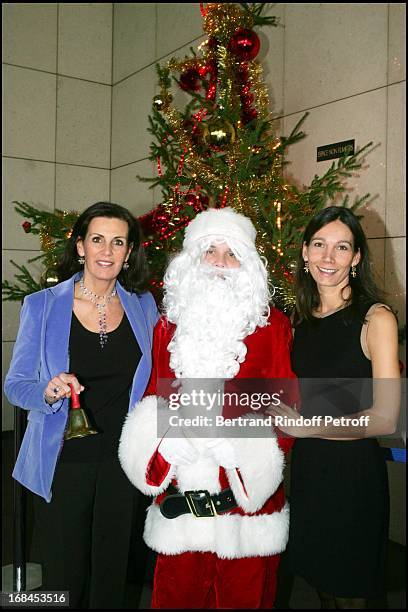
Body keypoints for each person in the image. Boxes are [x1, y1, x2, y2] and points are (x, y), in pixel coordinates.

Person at [119, 207, 297, 609]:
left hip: (246, 515)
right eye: (209, 251)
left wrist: (241, 449)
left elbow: (286, 412)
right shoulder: (167, 327)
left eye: (232, 253)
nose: (219, 262)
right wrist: (162, 445)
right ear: (190, 263)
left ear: (248, 265)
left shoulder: (273, 328)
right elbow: (153, 399)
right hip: (181, 512)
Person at [4, 202, 159, 609]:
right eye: (97, 240)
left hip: (122, 459)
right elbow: (16, 385)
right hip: (63, 458)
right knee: (64, 571)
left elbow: (158, 377)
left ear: (129, 253)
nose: (106, 251)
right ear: (79, 247)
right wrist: (48, 390)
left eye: (117, 242)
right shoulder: (43, 305)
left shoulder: (144, 306)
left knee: (112, 572)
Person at [267, 206, 401, 609]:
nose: (329, 258)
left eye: (342, 247)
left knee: (350, 595)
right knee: (322, 588)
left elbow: (385, 416)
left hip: (352, 477)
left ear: (357, 258)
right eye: (320, 245)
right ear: (305, 252)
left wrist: (305, 427)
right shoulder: (297, 321)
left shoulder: (375, 319)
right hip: (308, 474)